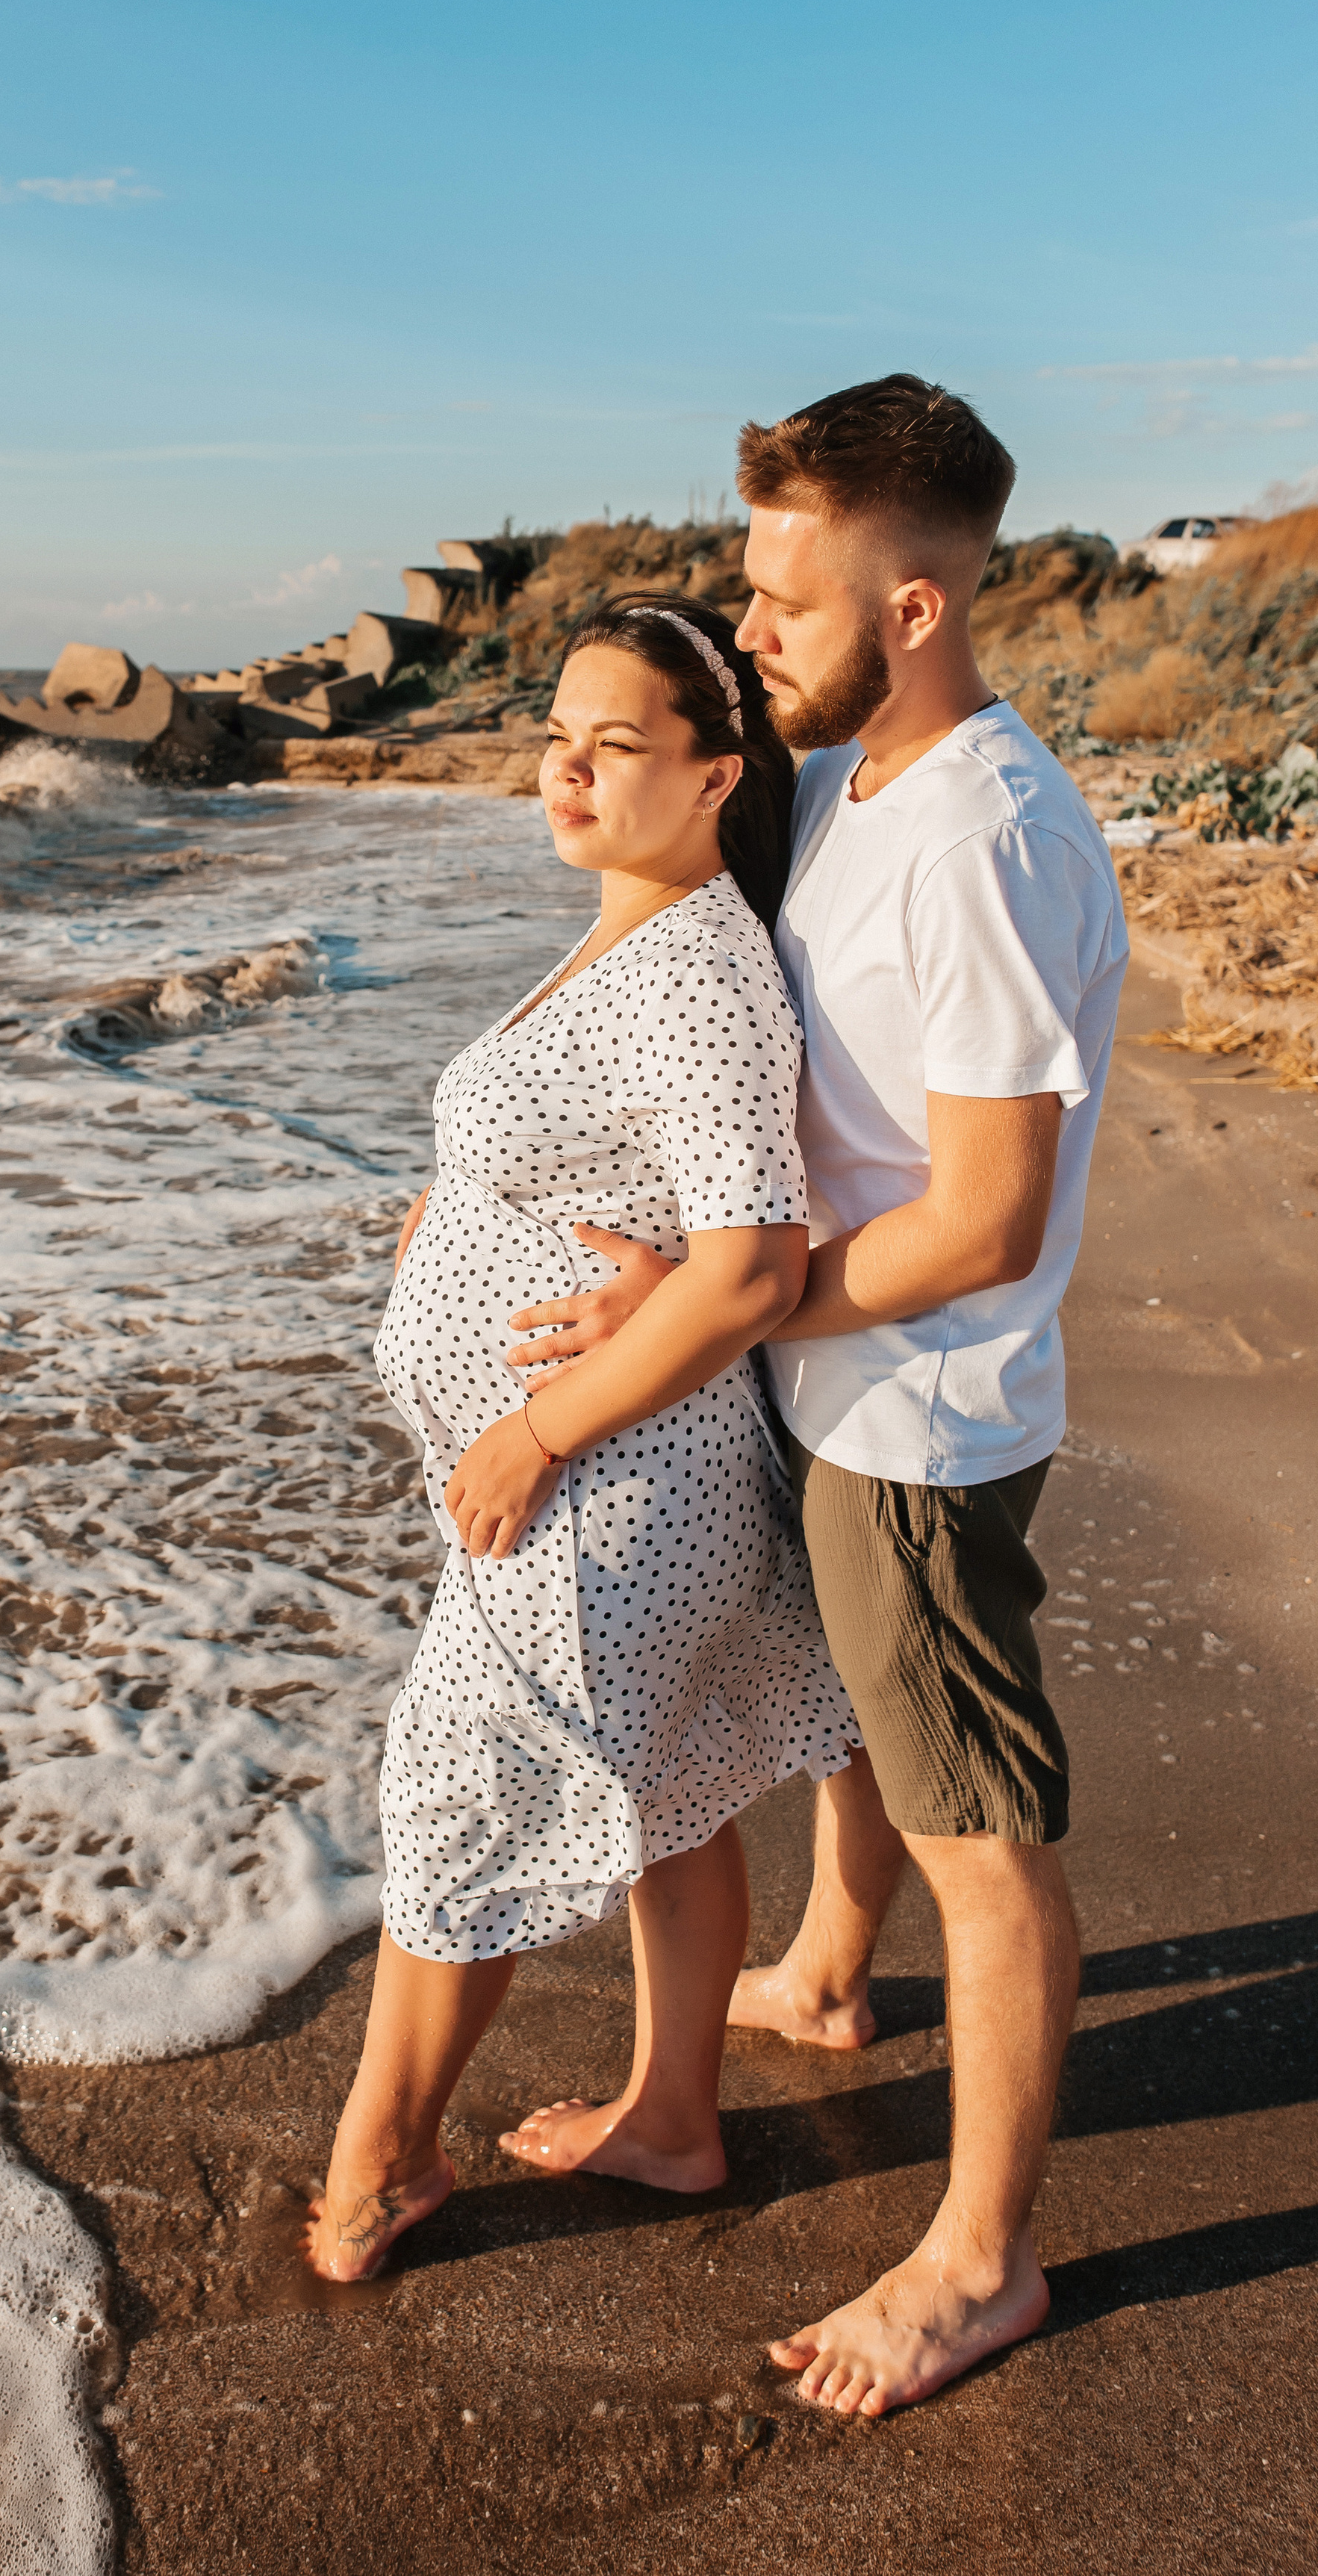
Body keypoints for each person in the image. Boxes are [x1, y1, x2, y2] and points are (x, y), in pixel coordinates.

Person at [507, 375, 1127, 2415]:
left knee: (980, 1828)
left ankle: (978, 2259)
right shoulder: (867, 778)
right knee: (857, 1710)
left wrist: (724, 1305)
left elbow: (982, 1217)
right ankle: (833, 1972)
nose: (748, 632)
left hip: (917, 1417)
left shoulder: (982, 834)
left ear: (920, 606)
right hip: (840, 1379)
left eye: (784, 600)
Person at [303, 592, 862, 2283]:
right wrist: (460, 1203)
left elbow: (752, 1263)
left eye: (613, 746)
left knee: (453, 1800)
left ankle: (375, 2162)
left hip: (610, 1493)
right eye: (555, 737)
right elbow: (605, 1156)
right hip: (618, 1487)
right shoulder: (632, 928)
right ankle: (672, 2120)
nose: (565, 769)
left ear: (714, 776)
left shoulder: (697, 968)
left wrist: (534, 1432)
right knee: (674, 1799)